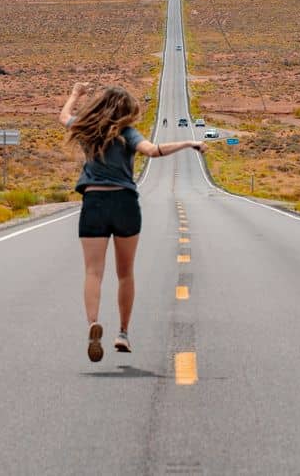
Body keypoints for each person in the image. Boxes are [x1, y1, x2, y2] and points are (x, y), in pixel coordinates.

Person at [60, 81, 204, 362]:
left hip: (94, 203)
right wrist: (188, 142)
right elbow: (153, 150)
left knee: (93, 272)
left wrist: (75, 94)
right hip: (124, 203)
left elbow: (64, 116)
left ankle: (93, 324)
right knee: (125, 273)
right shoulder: (127, 133)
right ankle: (123, 332)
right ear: (126, 111)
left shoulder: (86, 128)